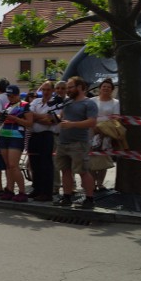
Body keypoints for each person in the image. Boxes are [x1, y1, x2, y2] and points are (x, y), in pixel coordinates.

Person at [53, 77, 98, 209]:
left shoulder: (88, 103)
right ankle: (67, 197)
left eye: (70, 87)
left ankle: (90, 199)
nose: (68, 90)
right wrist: (56, 118)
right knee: (65, 170)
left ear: (79, 87)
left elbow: (92, 122)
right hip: (63, 142)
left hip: (79, 142)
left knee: (83, 171)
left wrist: (72, 124)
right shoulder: (67, 101)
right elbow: (62, 117)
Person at [0, 84, 34, 202]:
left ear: (18, 94)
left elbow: (29, 123)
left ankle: (22, 191)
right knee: (8, 165)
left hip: (17, 136)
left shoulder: (25, 105)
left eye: (13, 95)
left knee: (14, 165)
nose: (11, 98)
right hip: (4, 135)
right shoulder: (7, 105)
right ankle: (9, 190)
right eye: (9, 95)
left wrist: (15, 118)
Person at [28, 81, 61, 202]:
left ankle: (46, 192)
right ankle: (36, 189)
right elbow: (28, 115)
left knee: (46, 164)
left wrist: (35, 118)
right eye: (44, 90)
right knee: (34, 163)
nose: (46, 92)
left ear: (52, 91)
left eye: (48, 90)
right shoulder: (36, 101)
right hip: (34, 135)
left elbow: (51, 121)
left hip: (47, 135)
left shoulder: (55, 103)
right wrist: (42, 117)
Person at [89, 78, 120, 191]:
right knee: (91, 158)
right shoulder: (92, 101)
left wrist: (103, 129)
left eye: (108, 87)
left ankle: (100, 183)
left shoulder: (116, 103)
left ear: (112, 90)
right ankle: (91, 182)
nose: (106, 88)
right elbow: (88, 115)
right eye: (104, 86)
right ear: (100, 89)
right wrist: (94, 127)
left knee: (103, 159)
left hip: (106, 133)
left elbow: (116, 118)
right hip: (91, 132)